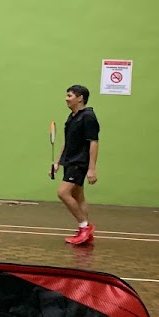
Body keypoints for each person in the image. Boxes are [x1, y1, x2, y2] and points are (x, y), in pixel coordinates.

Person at [53, 84, 100, 245]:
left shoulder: (88, 117)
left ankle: (85, 226)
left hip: (79, 162)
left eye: (70, 95)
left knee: (63, 193)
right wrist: (57, 162)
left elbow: (94, 142)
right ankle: (85, 233)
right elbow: (67, 142)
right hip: (70, 161)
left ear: (80, 98)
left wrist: (92, 168)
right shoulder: (72, 117)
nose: (66, 98)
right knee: (79, 197)